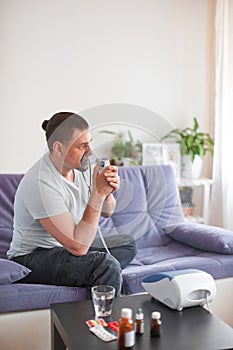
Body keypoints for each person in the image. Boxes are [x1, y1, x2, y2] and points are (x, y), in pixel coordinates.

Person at [7, 112, 136, 295]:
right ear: (59, 148)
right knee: (106, 265)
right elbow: (79, 247)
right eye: (82, 146)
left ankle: (84, 273)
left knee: (127, 244)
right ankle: (103, 321)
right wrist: (97, 194)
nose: (90, 152)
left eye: (89, 143)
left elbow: (108, 212)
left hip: (68, 246)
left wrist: (108, 192)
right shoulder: (40, 183)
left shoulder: (83, 167)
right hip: (34, 257)